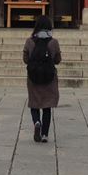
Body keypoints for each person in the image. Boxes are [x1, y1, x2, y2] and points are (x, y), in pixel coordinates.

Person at [23, 15, 62, 143]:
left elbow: (26, 59)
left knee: (34, 103)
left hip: (33, 77)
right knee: (47, 106)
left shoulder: (29, 41)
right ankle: (45, 134)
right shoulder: (53, 42)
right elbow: (57, 60)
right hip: (49, 78)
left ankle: (37, 122)